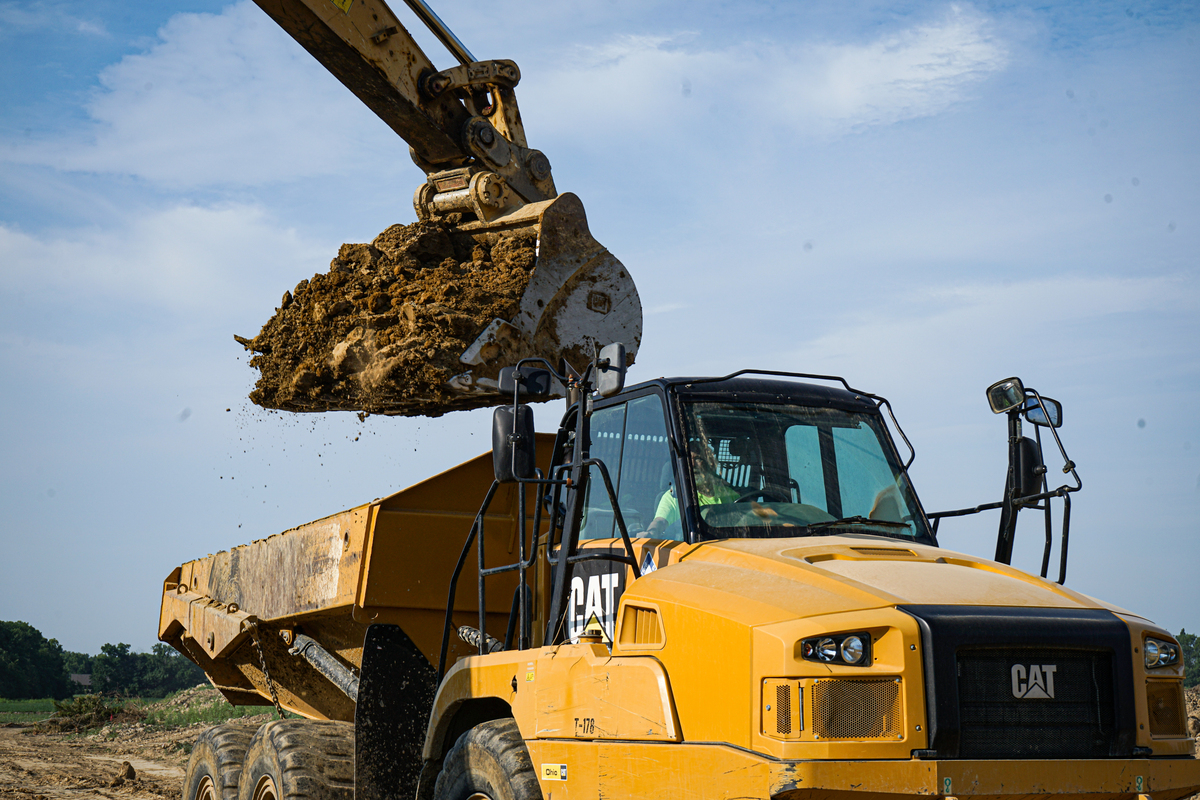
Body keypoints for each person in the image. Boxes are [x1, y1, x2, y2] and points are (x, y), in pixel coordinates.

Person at [646, 444, 739, 536]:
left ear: (710, 465)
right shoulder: (675, 496)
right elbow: (660, 521)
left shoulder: (728, 494)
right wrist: (651, 533)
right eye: (688, 460)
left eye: (698, 459)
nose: (692, 464)